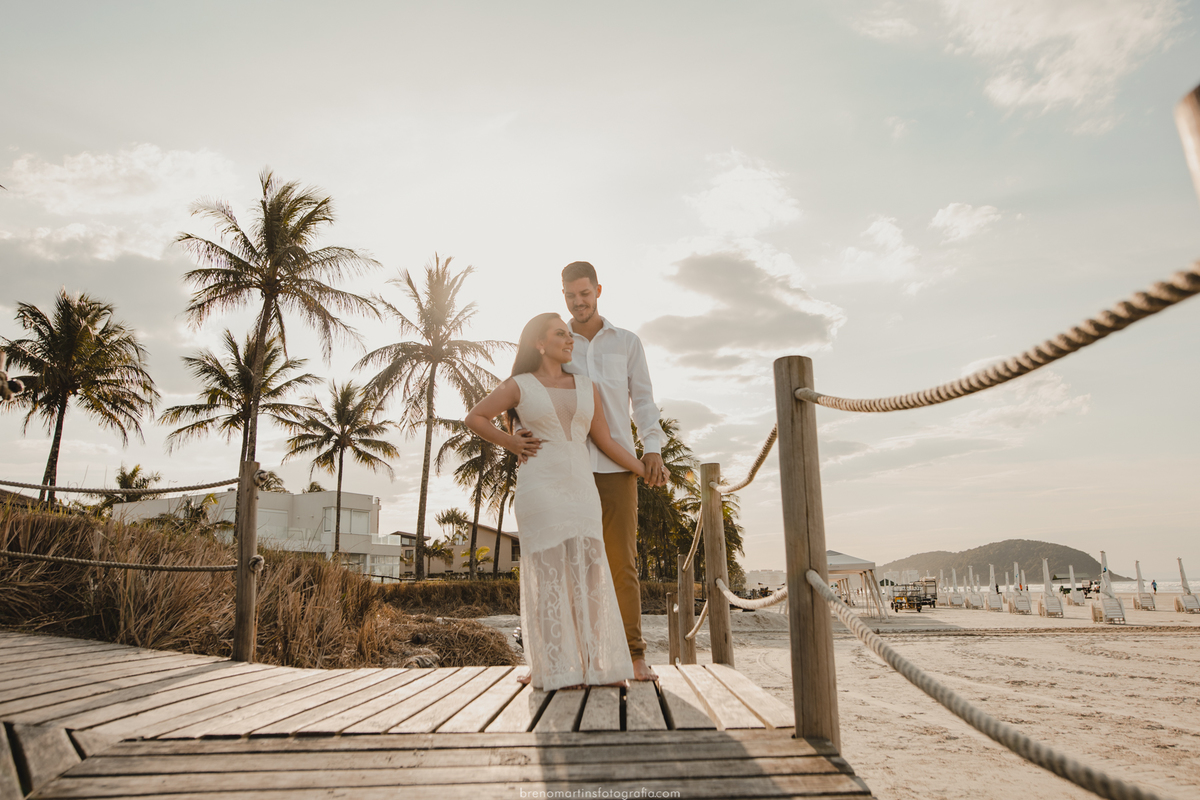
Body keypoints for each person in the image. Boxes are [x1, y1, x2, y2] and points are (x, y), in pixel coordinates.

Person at [465, 313, 645, 690]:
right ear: (539, 343)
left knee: (592, 573)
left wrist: (645, 470)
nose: (570, 339)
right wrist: (511, 442)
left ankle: (597, 665)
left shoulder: (586, 386)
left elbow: (607, 441)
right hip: (540, 487)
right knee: (549, 577)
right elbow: (476, 417)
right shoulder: (519, 385)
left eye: (570, 334)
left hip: (581, 488)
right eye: (560, 334)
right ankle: (557, 669)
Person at [560, 261, 667, 683]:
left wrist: (652, 448)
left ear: (598, 290)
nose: (578, 302)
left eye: (584, 294)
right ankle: (581, 657)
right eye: (570, 296)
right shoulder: (556, 341)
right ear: (563, 295)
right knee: (573, 565)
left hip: (617, 468)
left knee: (622, 563)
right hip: (568, 468)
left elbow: (643, 399)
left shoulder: (627, 342)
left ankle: (635, 656)